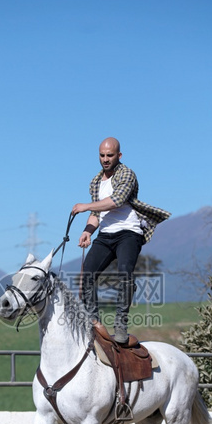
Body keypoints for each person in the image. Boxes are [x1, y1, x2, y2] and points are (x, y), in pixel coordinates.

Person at [71, 137, 170, 344]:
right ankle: (93, 320)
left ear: (119, 156)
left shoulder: (127, 174)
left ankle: (121, 323)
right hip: (105, 235)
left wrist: (85, 206)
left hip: (128, 232)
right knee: (87, 272)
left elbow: (116, 201)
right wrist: (87, 231)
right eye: (102, 155)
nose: (105, 159)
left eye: (110, 155)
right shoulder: (96, 181)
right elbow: (97, 214)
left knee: (124, 273)